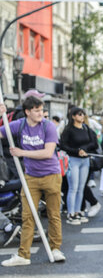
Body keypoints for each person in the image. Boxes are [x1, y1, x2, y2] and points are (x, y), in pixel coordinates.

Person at [0, 96, 65, 266]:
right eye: (36, 110)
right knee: (27, 216)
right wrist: (1, 116)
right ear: (27, 112)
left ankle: (56, 249)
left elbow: (47, 152)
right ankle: (23, 255)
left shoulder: (48, 126)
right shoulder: (20, 125)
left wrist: (22, 153)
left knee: (53, 214)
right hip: (30, 177)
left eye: (41, 110)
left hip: (51, 175)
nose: (40, 113)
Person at [60, 107, 98, 225]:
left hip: (85, 160)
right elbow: (63, 145)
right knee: (73, 187)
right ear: (73, 116)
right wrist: (77, 151)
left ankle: (78, 211)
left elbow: (93, 143)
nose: (82, 116)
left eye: (83, 114)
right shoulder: (68, 130)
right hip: (73, 160)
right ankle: (71, 213)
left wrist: (84, 149)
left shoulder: (86, 128)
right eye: (79, 114)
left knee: (81, 187)